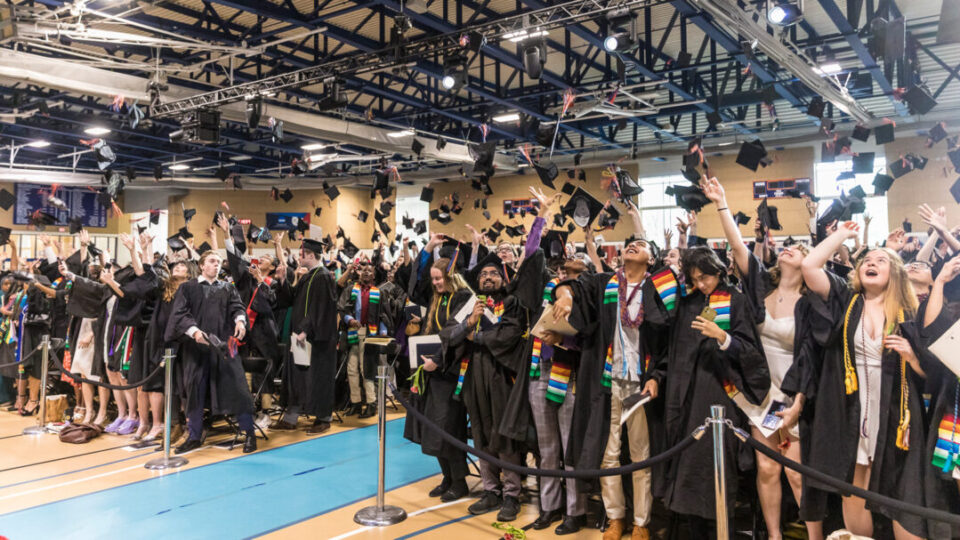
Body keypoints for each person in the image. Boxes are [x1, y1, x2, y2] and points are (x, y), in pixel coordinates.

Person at [702, 177, 823, 540]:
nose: (789, 249)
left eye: (799, 249)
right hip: (760, 392)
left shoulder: (811, 305)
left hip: (794, 394)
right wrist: (722, 202)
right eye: (786, 247)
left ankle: (815, 536)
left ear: (810, 263)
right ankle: (774, 536)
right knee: (768, 469)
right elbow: (739, 248)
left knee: (798, 474)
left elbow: (811, 358)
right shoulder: (761, 290)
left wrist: (798, 404)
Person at [553, 201, 674, 540]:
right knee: (608, 453)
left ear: (651, 259)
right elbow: (576, 286)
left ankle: (641, 522)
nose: (632, 245)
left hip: (640, 383)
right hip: (608, 380)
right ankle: (615, 517)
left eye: (641, 246)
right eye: (629, 243)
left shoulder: (658, 287)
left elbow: (666, 335)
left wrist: (656, 376)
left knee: (640, 455)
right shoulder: (607, 284)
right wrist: (564, 295)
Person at [801, 221, 929, 539]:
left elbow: (934, 375)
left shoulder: (911, 313)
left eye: (881, 260)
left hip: (895, 411)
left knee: (901, 488)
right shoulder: (846, 301)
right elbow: (809, 265)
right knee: (856, 481)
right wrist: (843, 235)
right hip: (851, 408)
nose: (871, 263)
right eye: (866, 261)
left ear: (896, 273)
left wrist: (913, 358)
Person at [661, 245, 769, 537]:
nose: (701, 284)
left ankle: (722, 530)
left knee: (716, 468)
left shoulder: (735, 300)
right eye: (694, 279)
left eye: (705, 277)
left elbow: (751, 352)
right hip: (685, 396)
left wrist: (723, 337)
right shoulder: (688, 302)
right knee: (687, 470)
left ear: (719, 271)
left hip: (720, 396)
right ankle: (693, 531)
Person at [166, 250, 257, 454]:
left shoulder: (227, 288)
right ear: (201, 265)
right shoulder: (188, 288)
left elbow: (237, 308)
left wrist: (241, 322)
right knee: (195, 392)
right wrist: (194, 331)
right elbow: (180, 314)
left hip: (226, 346)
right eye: (212, 261)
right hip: (196, 348)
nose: (216, 265)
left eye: (218, 262)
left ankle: (249, 433)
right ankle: (195, 436)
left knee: (238, 389)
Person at [404, 243, 473, 503]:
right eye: (432, 279)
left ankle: (459, 482)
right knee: (432, 428)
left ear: (450, 277)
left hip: (452, 371)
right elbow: (413, 289)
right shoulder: (436, 297)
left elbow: (456, 334)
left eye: (439, 278)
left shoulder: (463, 297)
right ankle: (446, 477)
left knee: (449, 428)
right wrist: (426, 250)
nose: (435, 283)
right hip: (431, 371)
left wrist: (437, 360)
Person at [274, 238, 339, 435]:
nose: (299, 257)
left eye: (302, 254)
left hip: (316, 340)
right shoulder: (308, 277)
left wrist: (305, 330)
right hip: (302, 337)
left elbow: (322, 309)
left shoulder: (324, 277)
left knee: (318, 378)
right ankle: (291, 418)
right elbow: (291, 299)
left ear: (311, 255)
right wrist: (283, 279)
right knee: (297, 377)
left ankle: (323, 419)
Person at [337, 260, 388, 418]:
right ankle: (356, 403)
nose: (366, 272)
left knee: (366, 369)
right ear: (358, 272)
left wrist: (384, 331)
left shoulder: (379, 292)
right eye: (363, 270)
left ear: (374, 275)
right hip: (353, 331)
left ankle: (371, 403)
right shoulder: (351, 289)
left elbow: (384, 315)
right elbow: (341, 307)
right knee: (351, 369)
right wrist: (348, 319)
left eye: (370, 270)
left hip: (370, 333)